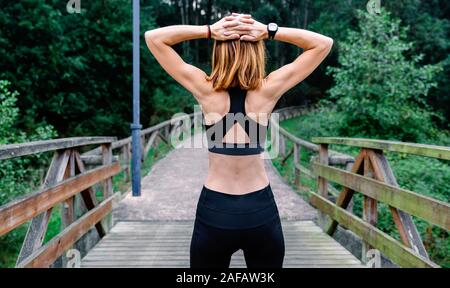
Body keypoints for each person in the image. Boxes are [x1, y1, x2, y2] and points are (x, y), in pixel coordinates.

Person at [144, 12, 333, 268]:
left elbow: (154, 38)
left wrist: (209, 30)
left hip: (215, 209)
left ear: (218, 50)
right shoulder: (267, 90)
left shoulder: (206, 89)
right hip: (259, 210)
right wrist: (268, 30)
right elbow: (323, 44)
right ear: (257, 51)